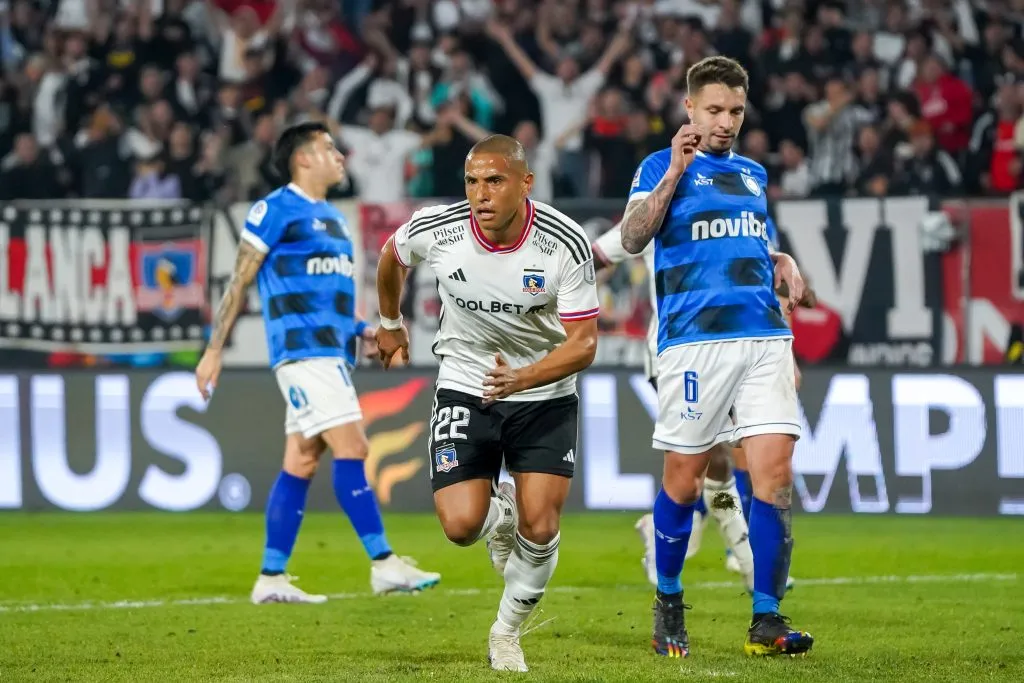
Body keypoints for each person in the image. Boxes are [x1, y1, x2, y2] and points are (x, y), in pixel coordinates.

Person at [375, 134, 600, 672]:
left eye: (494, 180)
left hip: (543, 392)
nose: (481, 193)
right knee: (459, 528)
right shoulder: (440, 228)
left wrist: (523, 378)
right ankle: (499, 513)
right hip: (465, 382)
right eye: (473, 181)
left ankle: (506, 632)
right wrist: (389, 323)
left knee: (541, 527)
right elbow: (392, 255)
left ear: (526, 183)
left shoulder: (563, 243)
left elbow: (584, 344)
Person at [194, 121, 441, 604]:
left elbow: (332, 303)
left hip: (331, 353)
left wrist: (364, 333)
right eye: (329, 148)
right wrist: (214, 349)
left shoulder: (333, 219)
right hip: (301, 354)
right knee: (354, 447)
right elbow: (240, 281)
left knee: (302, 460)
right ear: (302, 158)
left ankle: (271, 576)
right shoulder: (274, 209)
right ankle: (384, 563)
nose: (340, 155)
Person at [619, 56, 813, 658]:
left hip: (763, 337)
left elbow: (748, 242)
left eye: (734, 111)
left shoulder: (753, 174)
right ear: (689, 109)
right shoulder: (658, 166)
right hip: (694, 341)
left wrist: (781, 261)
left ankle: (766, 619)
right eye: (714, 110)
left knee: (775, 477)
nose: (725, 122)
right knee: (684, 479)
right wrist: (675, 171)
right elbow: (631, 237)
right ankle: (669, 604)